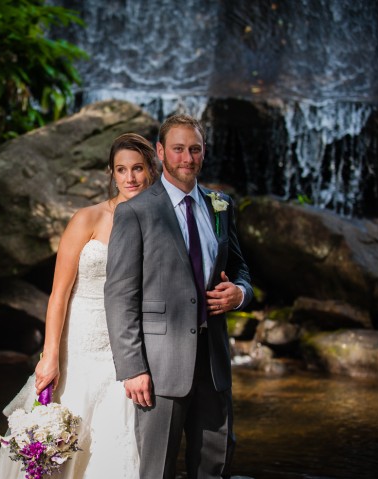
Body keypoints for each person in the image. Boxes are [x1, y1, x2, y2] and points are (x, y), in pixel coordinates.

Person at [0, 133, 159, 479]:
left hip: (124, 349)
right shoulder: (88, 218)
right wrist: (49, 355)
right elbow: (59, 293)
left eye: (138, 168)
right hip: (79, 343)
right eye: (121, 169)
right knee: (63, 434)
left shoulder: (160, 224)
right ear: (111, 174)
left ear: (152, 170)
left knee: (117, 441)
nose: (130, 178)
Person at [104, 114, 254, 479]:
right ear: (160, 152)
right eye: (178, 149)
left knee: (214, 466)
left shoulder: (221, 206)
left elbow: (241, 271)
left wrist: (240, 295)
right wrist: (133, 368)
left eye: (195, 149)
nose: (187, 157)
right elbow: (120, 296)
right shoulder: (135, 212)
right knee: (157, 470)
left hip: (214, 364)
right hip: (159, 367)